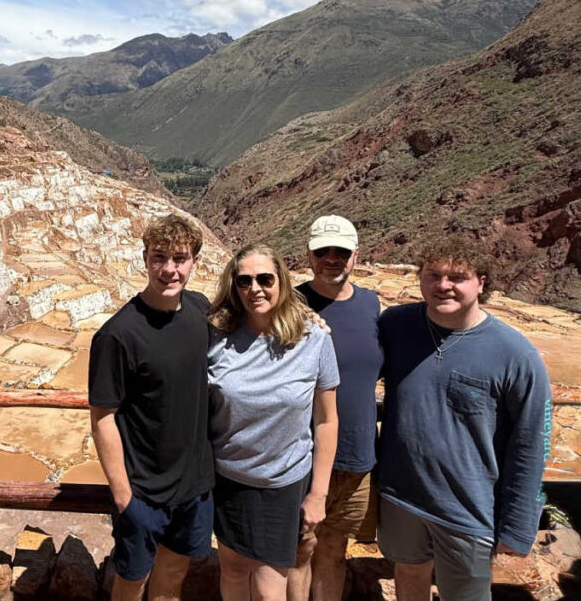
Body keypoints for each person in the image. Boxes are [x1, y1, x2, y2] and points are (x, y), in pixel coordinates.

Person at [377, 238, 551, 601]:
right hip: (400, 496)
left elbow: (532, 442)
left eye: (458, 277)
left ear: (482, 283)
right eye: (433, 275)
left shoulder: (515, 354)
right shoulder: (396, 326)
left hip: (467, 509)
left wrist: (519, 525)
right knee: (408, 574)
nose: (444, 285)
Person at [89, 213, 214, 601]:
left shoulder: (201, 311)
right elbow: (103, 418)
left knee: (173, 574)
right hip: (143, 490)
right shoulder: (117, 334)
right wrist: (124, 495)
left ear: (195, 261)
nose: (169, 269)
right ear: (144, 258)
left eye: (180, 258)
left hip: (194, 485)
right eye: (159, 257)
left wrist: (308, 317)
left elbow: (261, 315)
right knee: (132, 579)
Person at [208, 243, 339, 601]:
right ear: (233, 287)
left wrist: (318, 494)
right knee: (233, 571)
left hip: (282, 483)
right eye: (244, 281)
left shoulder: (313, 340)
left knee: (270, 585)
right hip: (228, 479)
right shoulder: (216, 337)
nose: (255, 289)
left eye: (265, 279)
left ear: (281, 281)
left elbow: (327, 420)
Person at [291, 215, 383, 601]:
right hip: (303, 456)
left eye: (341, 251)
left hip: (357, 457)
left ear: (355, 256)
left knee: (334, 549)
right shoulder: (291, 304)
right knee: (299, 551)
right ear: (308, 255)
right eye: (323, 251)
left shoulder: (371, 305)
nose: (332, 258)